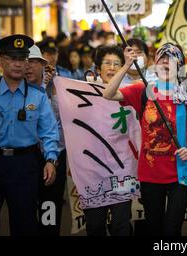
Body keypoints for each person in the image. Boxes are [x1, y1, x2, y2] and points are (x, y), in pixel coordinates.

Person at [103, 43, 187, 236]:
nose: (165, 61)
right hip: (150, 174)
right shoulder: (143, 90)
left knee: (172, 230)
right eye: (161, 57)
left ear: (179, 65)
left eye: (170, 58)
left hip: (180, 175)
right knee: (153, 228)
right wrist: (127, 64)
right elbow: (108, 94)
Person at [0, 35, 59, 236]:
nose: (18, 64)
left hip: (24, 165)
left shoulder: (37, 96)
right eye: (12, 59)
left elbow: (49, 131)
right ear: (2, 61)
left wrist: (50, 160)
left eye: (22, 59)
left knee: (24, 223)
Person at [81, 44, 133, 236]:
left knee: (121, 225)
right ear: (97, 68)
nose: (111, 67)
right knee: (95, 225)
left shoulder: (130, 93)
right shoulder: (81, 92)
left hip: (122, 168)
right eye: (107, 63)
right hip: (92, 170)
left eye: (117, 64)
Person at [24, 45, 67, 236]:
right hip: (27, 156)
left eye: (33, 62)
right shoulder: (16, 90)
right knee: (25, 204)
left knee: (50, 204)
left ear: (43, 65)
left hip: (54, 155)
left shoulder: (59, 85)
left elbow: (63, 118)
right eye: (25, 62)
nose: (28, 67)